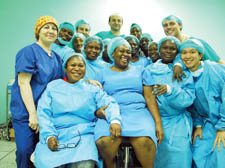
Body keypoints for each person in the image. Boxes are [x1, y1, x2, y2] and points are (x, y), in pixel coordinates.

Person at [34, 54, 121, 168]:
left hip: (84, 134)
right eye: (73, 65)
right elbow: (43, 113)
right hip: (57, 132)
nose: (77, 68)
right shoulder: (53, 87)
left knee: (85, 164)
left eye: (81, 65)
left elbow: (109, 103)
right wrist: (49, 136)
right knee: (49, 163)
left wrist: (114, 120)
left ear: (85, 69)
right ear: (65, 68)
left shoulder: (92, 88)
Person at [94, 37, 163, 168]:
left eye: (128, 51)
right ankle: (110, 165)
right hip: (111, 113)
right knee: (105, 141)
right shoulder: (101, 73)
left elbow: (149, 97)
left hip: (138, 112)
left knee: (145, 141)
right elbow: (95, 97)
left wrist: (158, 123)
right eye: (121, 51)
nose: (125, 54)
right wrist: (98, 112)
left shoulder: (141, 70)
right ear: (112, 53)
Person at [10, 16, 64, 168]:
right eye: (46, 27)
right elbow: (23, 82)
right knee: (25, 150)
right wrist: (33, 114)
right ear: (38, 31)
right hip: (26, 112)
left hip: (46, 112)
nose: (50, 31)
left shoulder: (57, 58)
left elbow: (62, 84)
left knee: (42, 152)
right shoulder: (28, 52)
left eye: (54, 28)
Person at [144, 36, 195, 168]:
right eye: (165, 48)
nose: (168, 51)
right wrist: (156, 122)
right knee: (159, 159)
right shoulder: (149, 70)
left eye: (172, 49)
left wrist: (170, 90)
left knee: (181, 157)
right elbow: (147, 96)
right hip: (156, 121)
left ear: (177, 52)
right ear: (159, 49)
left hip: (179, 124)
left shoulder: (183, 71)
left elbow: (188, 98)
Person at [180, 39, 225, 168]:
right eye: (184, 53)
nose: (188, 56)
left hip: (222, 122)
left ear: (200, 55)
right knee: (198, 152)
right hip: (207, 123)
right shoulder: (185, 77)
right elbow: (191, 106)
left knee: (219, 152)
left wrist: (222, 127)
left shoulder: (215, 69)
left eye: (192, 52)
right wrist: (198, 125)